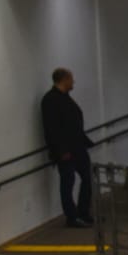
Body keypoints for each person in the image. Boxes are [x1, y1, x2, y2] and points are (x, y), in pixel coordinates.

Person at [40, 67, 94, 228]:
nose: (74, 82)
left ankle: (83, 212)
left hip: (77, 147)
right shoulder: (50, 100)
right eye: (71, 79)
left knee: (86, 178)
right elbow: (51, 128)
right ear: (64, 79)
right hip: (66, 151)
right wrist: (61, 151)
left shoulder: (64, 98)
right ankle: (72, 216)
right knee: (67, 183)